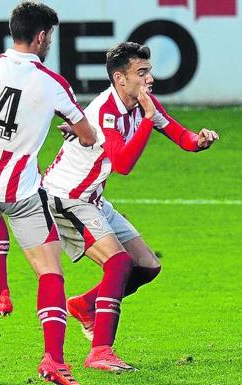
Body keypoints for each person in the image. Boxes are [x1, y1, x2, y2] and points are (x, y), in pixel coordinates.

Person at [39, 41, 219, 371]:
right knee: (119, 263)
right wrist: (149, 118)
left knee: (147, 266)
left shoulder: (144, 105)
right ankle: (100, 352)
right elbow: (122, 163)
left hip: (92, 197)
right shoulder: (106, 112)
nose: (150, 78)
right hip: (66, 196)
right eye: (142, 72)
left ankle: (85, 305)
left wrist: (200, 140)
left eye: (149, 71)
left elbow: (183, 137)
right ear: (120, 79)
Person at [0, 2, 97, 385]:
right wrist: (68, 126)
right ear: (42, 36)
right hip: (21, 197)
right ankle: (54, 361)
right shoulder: (54, 84)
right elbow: (89, 136)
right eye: (51, 37)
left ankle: (0, 294)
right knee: (50, 273)